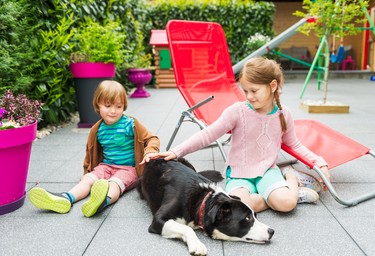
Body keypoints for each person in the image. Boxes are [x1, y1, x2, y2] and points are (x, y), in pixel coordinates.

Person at [150, 57, 330, 213]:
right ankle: (274, 195)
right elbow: (208, 134)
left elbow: (295, 144)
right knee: (236, 206)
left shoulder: (284, 114)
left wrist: (320, 163)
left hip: (268, 171)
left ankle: (291, 179)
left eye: (254, 90)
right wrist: (176, 152)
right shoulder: (237, 111)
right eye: (245, 91)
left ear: (273, 86)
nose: (249, 96)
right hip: (239, 174)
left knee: (286, 204)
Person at [29, 80, 160, 217]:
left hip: (128, 169)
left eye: (119, 106)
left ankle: (102, 201)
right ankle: (66, 198)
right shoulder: (97, 129)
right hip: (105, 166)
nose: (113, 111)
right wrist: (87, 172)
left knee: (114, 184)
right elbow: (89, 154)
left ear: (124, 107)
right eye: (108, 106)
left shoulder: (130, 124)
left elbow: (152, 139)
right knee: (88, 180)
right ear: (98, 105)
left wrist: (150, 151)